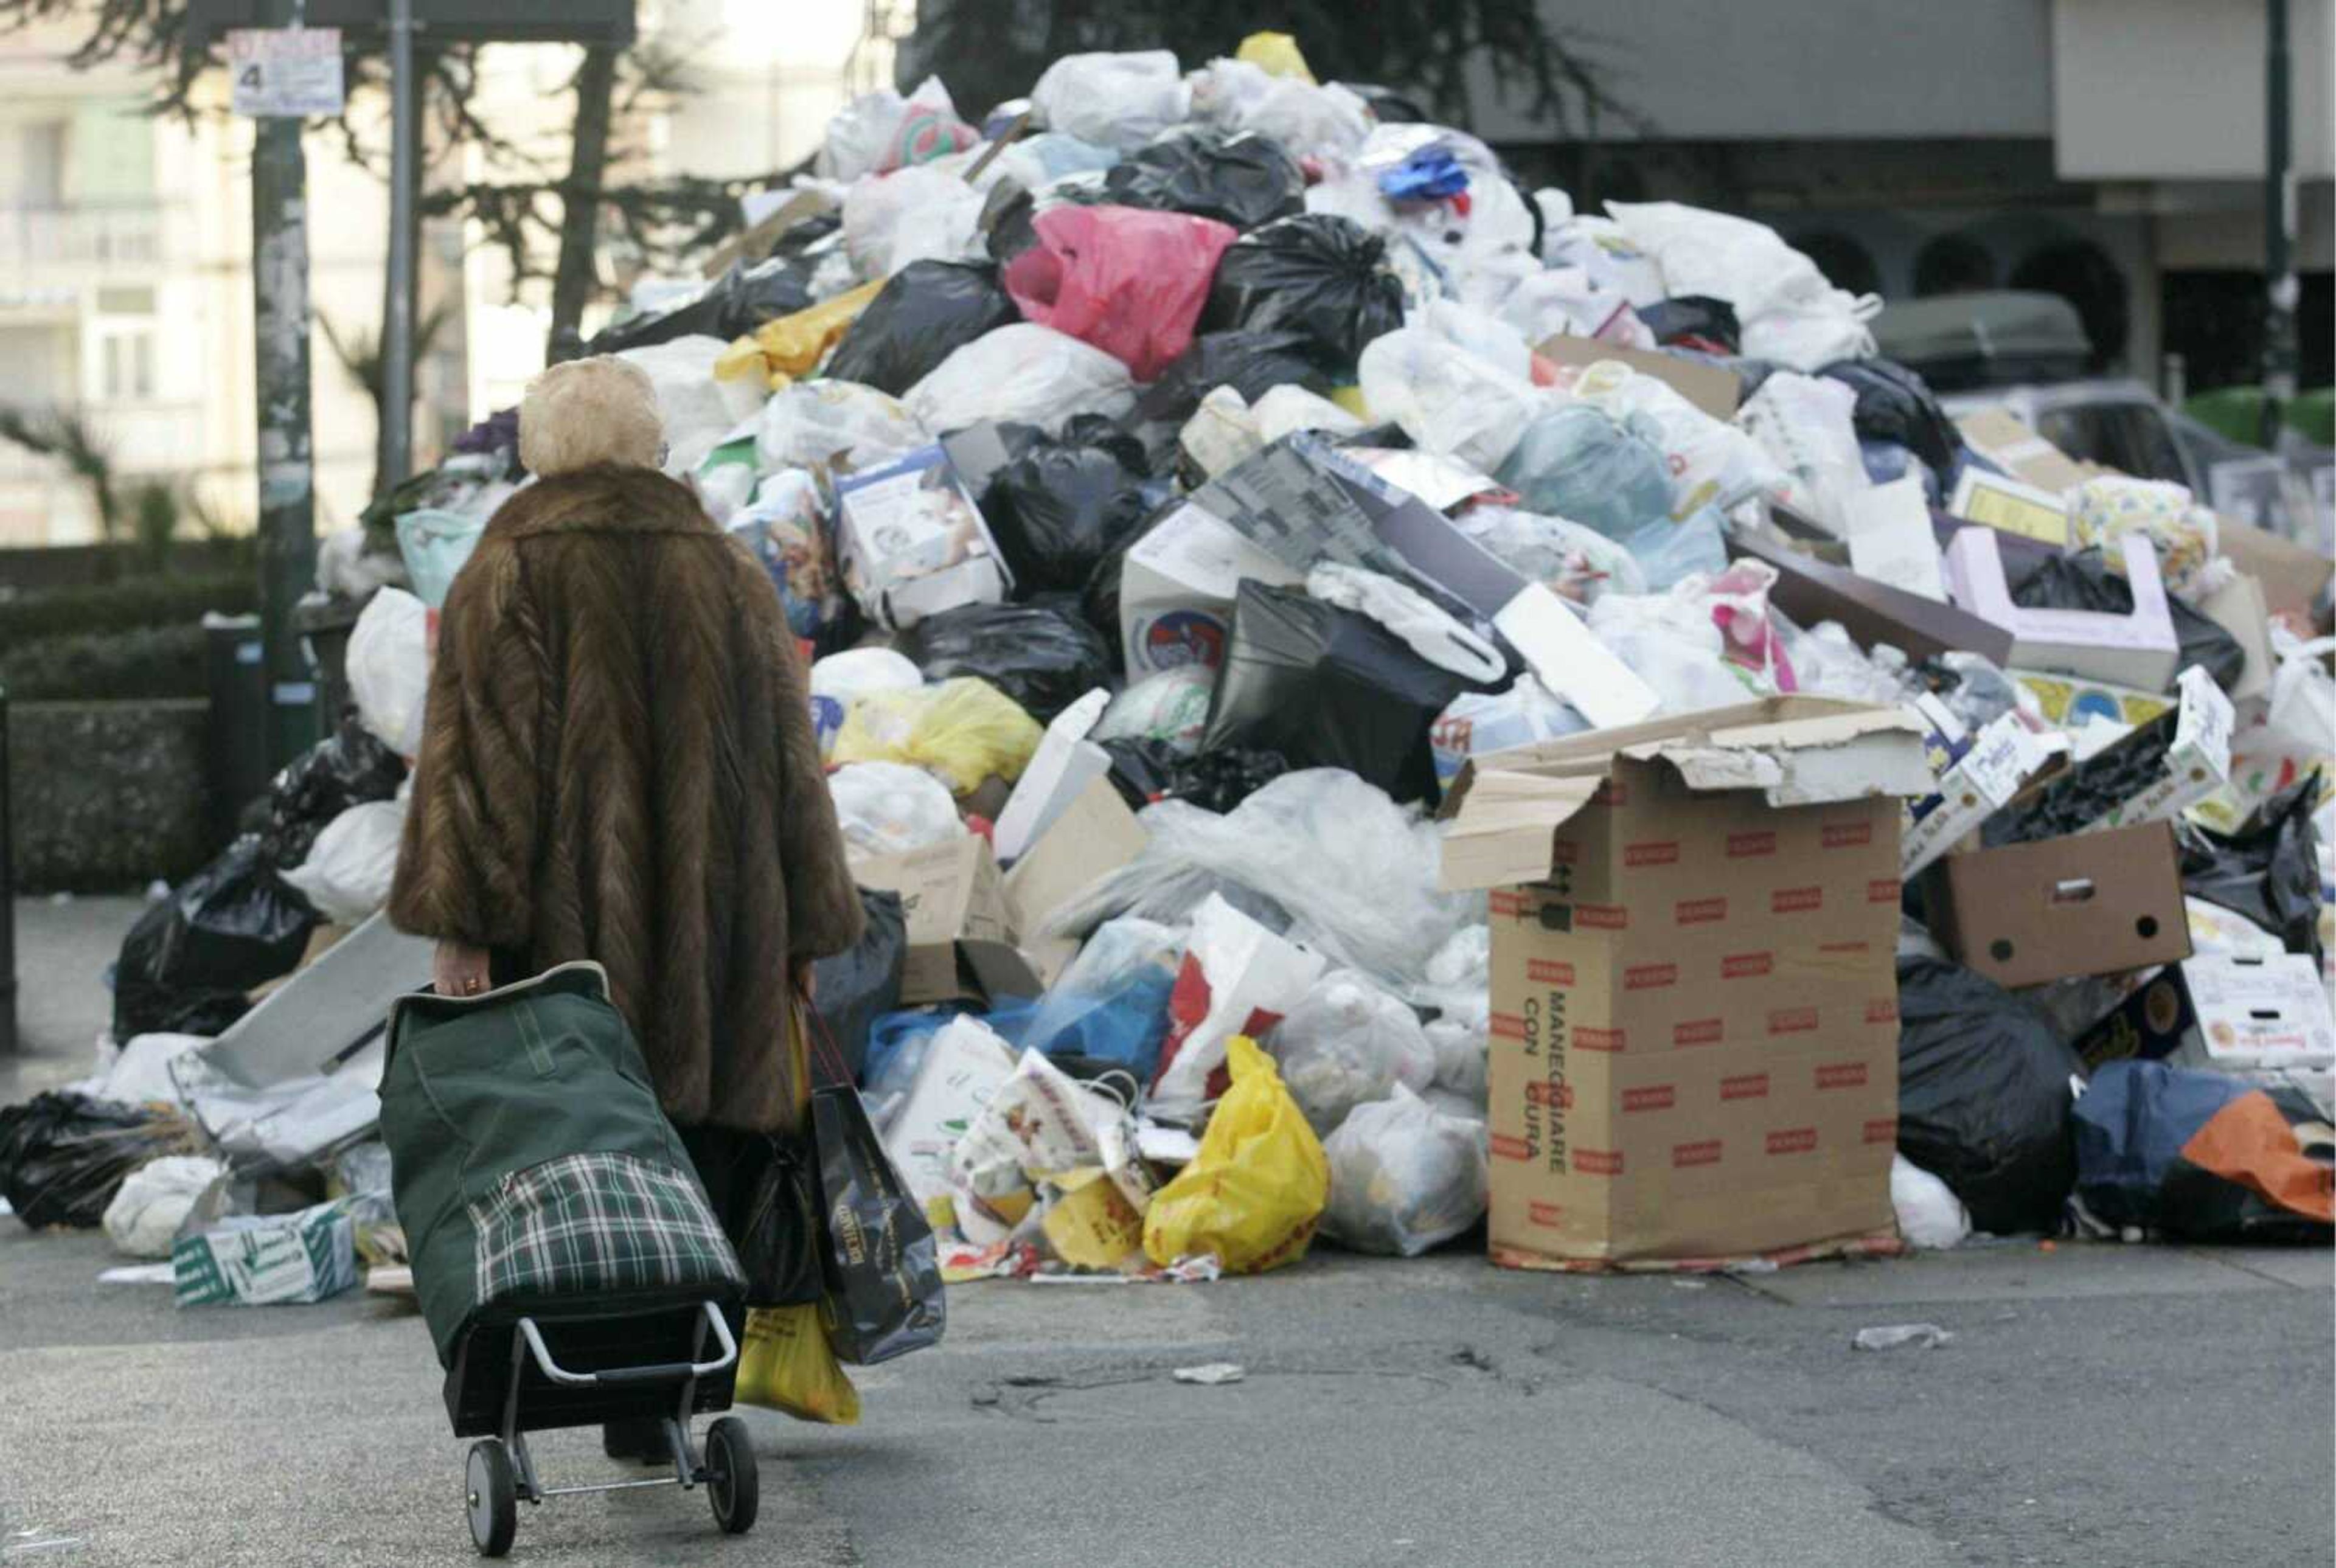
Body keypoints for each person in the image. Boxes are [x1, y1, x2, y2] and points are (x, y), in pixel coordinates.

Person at [388, 356, 863, 1454]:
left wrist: (465, 923)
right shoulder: (724, 566)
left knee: (581, 1146)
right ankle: (675, 1390)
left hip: (568, 944)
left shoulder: (506, 563)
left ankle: (594, 1367)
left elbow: (474, 766)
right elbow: (792, 762)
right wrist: (801, 931)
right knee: (700, 1154)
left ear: (537, 449)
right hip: (721, 937)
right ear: (651, 444)